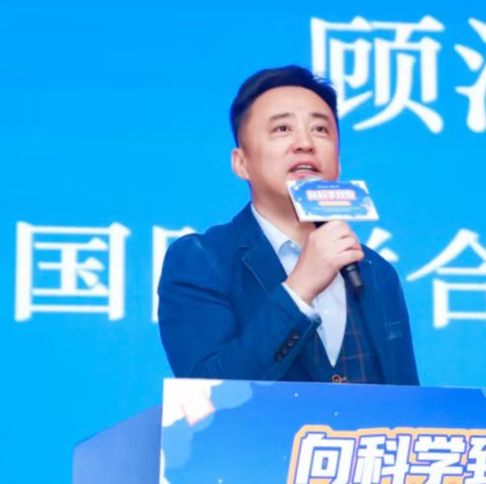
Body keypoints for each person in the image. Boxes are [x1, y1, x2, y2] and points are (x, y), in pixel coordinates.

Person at [157, 66, 419, 384]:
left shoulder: (376, 271)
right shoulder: (201, 260)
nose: (305, 143)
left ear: (338, 162)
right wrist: (299, 289)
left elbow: (406, 400)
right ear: (241, 163)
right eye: (282, 129)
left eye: (320, 130)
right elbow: (207, 392)